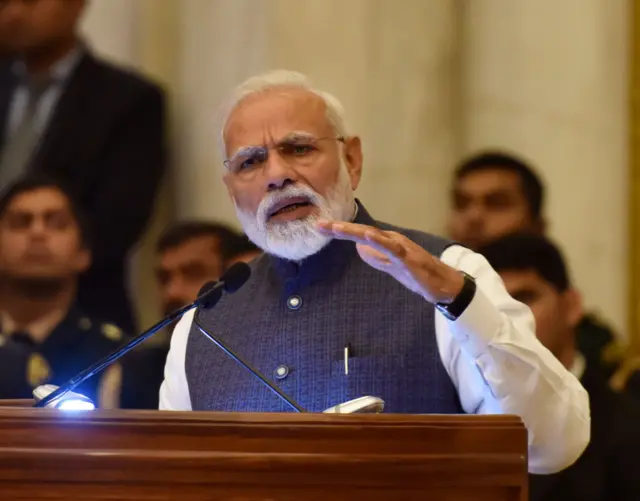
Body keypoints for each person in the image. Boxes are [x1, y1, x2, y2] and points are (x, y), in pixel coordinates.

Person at [159, 70, 589, 474]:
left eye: (299, 148)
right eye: (250, 162)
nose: (277, 175)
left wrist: (458, 300)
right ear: (230, 189)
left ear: (352, 159)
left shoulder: (451, 274)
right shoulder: (203, 322)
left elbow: (552, 443)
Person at [0, 0, 167, 333]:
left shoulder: (127, 100)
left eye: (30, 1)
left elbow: (120, 219)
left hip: (84, 318)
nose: (14, 13)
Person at [479, 233, 640, 501]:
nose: (510, 320)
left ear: (572, 306)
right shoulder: (459, 416)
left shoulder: (628, 427)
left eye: (525, 299)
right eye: (494, 306)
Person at [448, 152, 621, 381]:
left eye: (497, 203)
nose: (474, 216)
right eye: (462, 203)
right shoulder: (430, 318)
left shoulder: (598, 356)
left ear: (538, 225)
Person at [0, 175, 125, 407]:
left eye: (56, 223)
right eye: (21, 222)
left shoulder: (117, 354)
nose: (37, 233)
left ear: (84, 253)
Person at [119, 221, 254, 409]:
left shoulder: (264, 363)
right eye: (164, 278)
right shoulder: (137, 373)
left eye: (193, 273)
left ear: (235, 280)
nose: (171, 292)